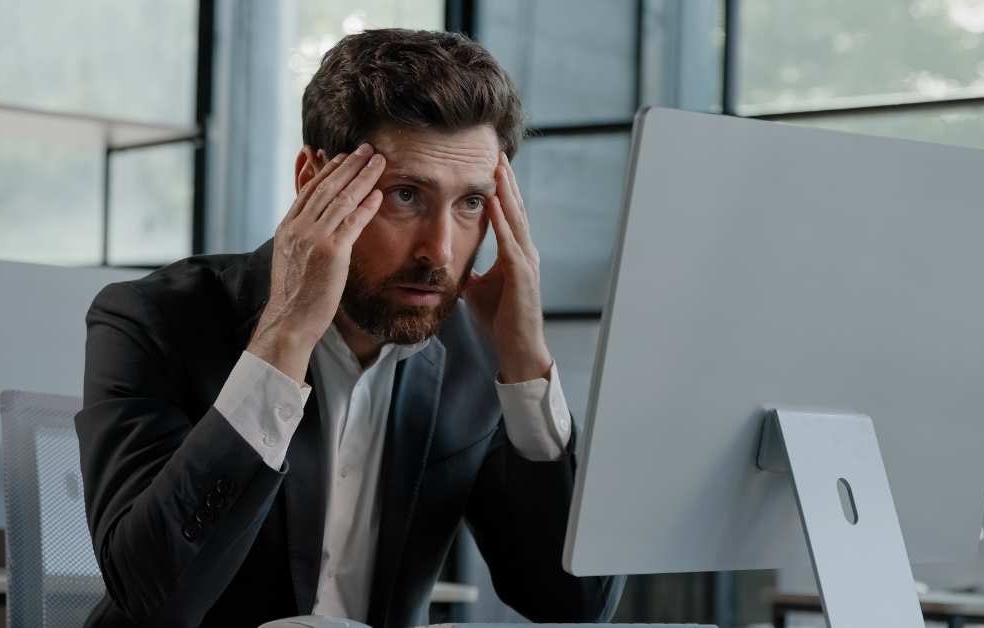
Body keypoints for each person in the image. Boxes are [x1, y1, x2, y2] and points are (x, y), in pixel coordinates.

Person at [75, 28, 625, 628]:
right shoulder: (152, 321)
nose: (439, 251)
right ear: (313, 181)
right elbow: (153, 596)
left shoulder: (477, 359)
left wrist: (525, 364)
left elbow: (576, 604)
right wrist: (284, 340)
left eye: (471, 203)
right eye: (407, 194)